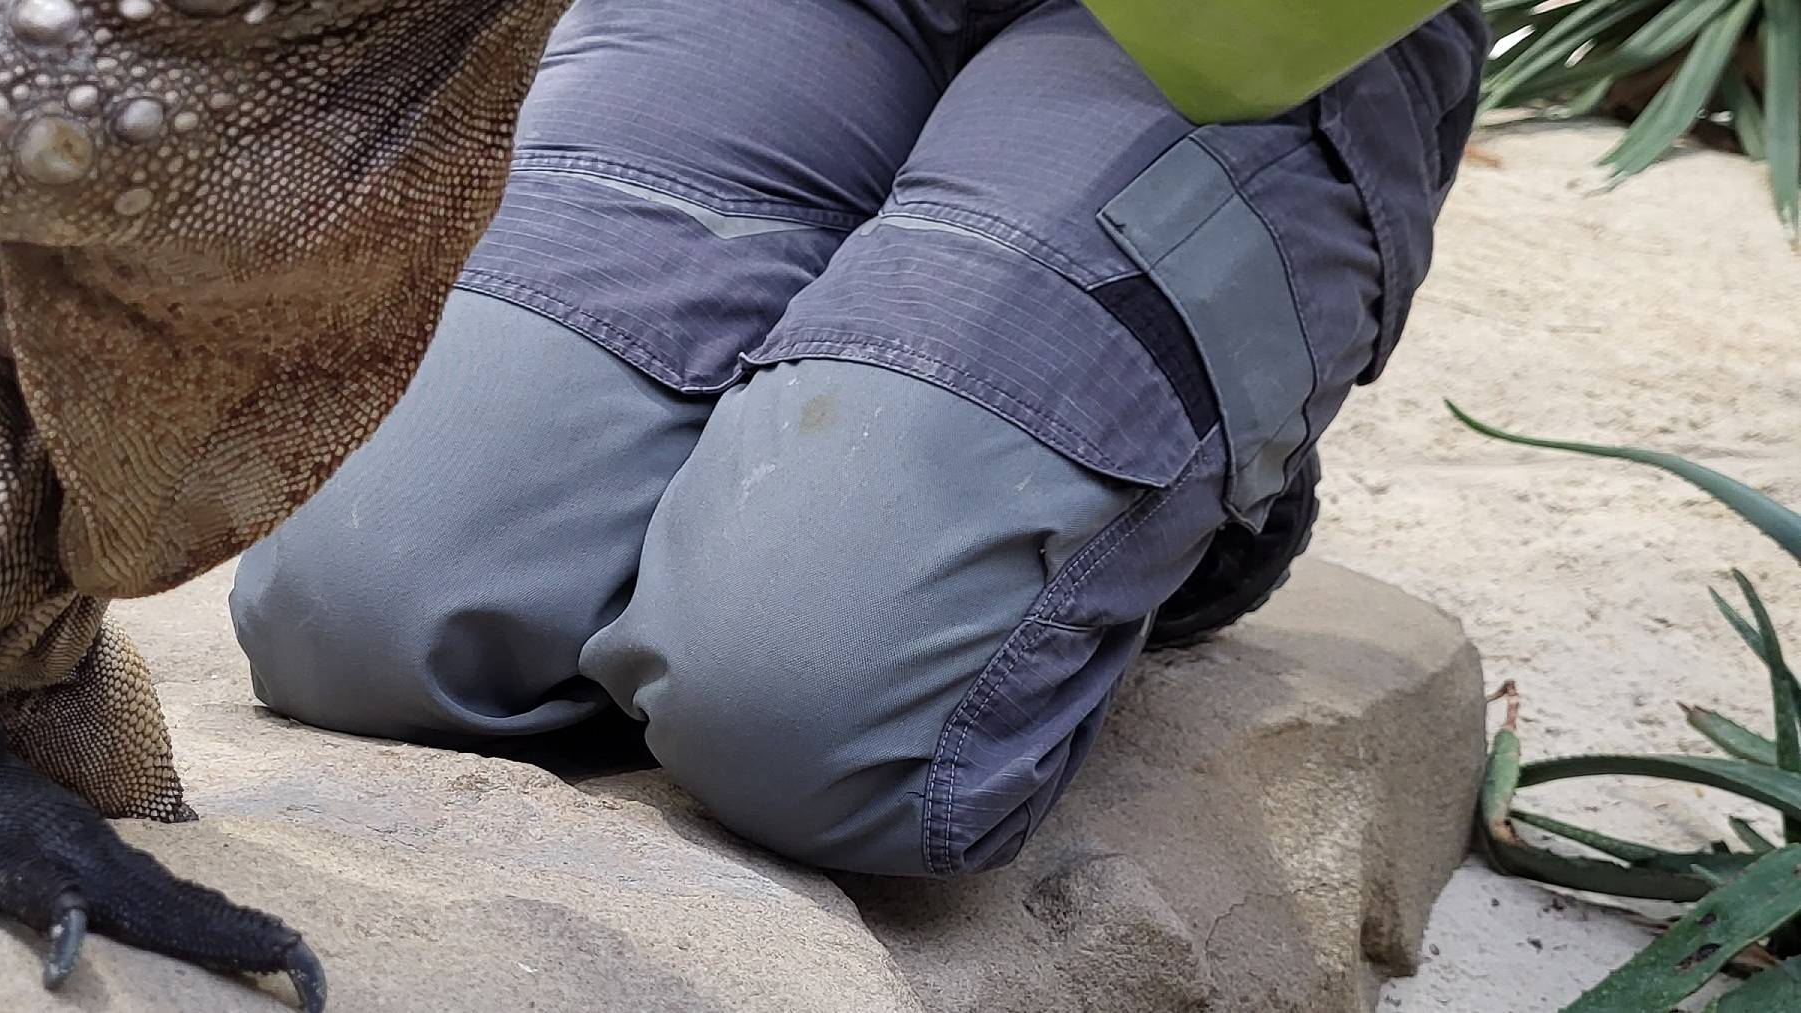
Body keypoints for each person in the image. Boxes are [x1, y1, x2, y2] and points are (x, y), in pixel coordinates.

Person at [228, 0, 1489, 878]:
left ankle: (1178, 495)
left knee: (805, 726)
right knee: (349, 608)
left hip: (1238, 31)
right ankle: (844, 367)